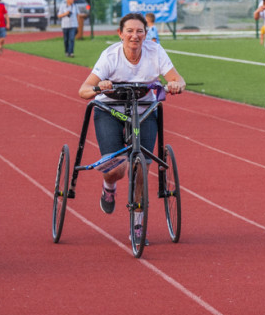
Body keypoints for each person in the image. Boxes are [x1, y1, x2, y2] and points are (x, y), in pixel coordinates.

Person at [78, 12, 186, 245]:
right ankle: (109, 187)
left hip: (144, 111)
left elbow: (178, 78)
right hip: (110, 111)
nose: (134, 36)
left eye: (139, 31)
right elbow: (83, 90)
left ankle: (137, 225)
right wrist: (100, 88)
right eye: (129, 31)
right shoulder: (110, 57)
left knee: (141, 168)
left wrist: (176, 84)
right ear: (120, 34)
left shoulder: (155, 52)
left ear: (146, 35)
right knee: (117, 168)